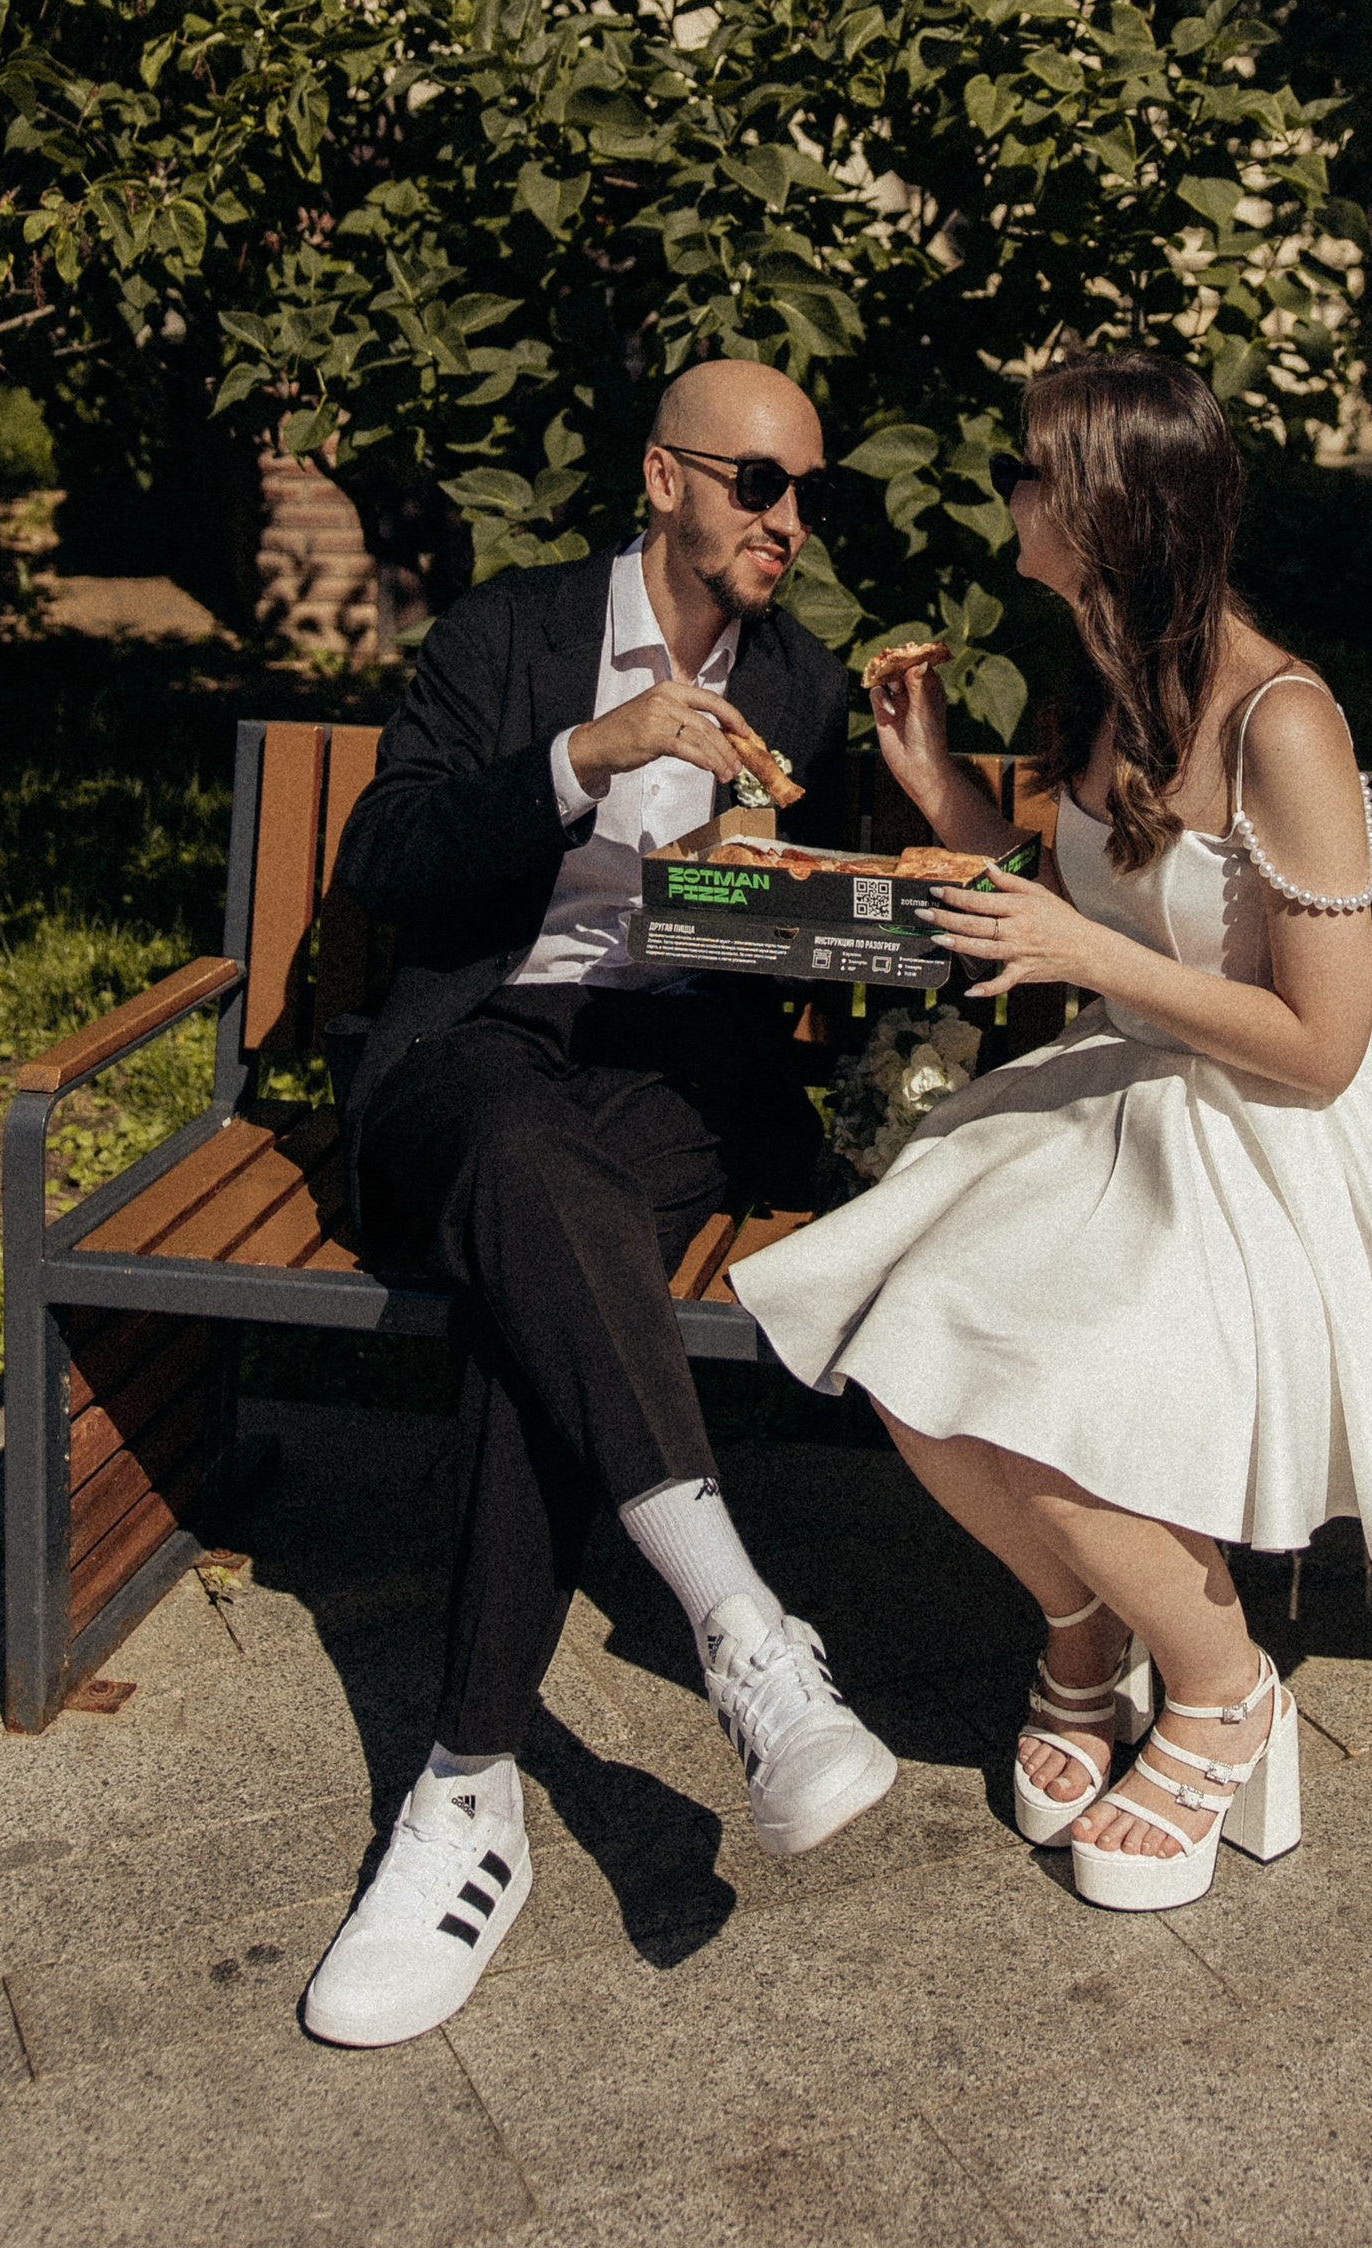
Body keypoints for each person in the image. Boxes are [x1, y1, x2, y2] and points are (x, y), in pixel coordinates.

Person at [734, 353, 1372, 1913]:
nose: (1010, 495)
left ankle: (1223, 1685)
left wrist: (1089, 965)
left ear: (1102, 509)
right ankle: (1081, 1632)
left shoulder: (1283, 717)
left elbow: (1325, 1041)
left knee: (1030, 1392)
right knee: (906, 1345)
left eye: (1031, 474)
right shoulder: (1108, 680)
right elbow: (1090, 899)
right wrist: (943, 791)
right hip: (1123, 1098)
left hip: (1272, 1139)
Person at [300, 361, 897, 2048]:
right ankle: (744, 1632)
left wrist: (814, 888)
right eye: (760, 483)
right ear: (662, 478)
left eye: (806, 493)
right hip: (476, 1045)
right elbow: (390, 867)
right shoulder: (508, 636)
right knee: (532, 1188)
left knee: (537, 1287)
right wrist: (589, 754)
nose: (789, 519)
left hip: (668, 1076)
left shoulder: (805, 682)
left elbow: (811, 943)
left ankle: (465, 1792)